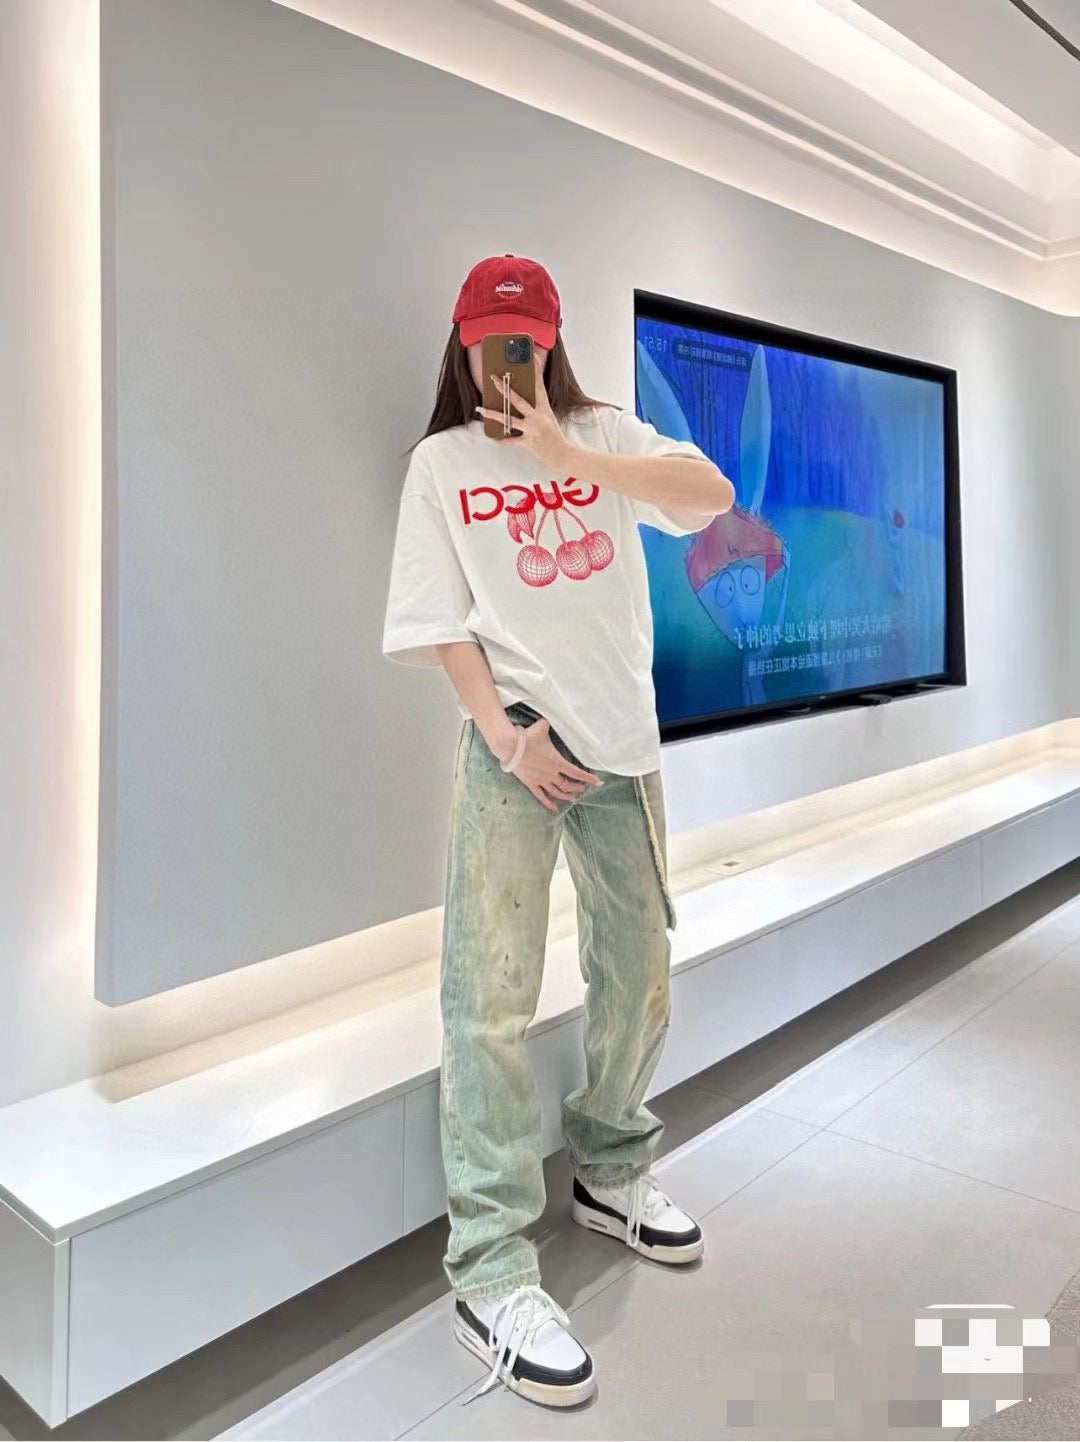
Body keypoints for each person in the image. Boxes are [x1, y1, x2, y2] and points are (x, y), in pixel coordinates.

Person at [381, 253, 735, 1409]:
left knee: (639, 970)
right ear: (462, 343)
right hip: (514, 752)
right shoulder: (441, 464)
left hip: (622, 748)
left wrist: (568, 455)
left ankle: (612, 1165)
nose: (509, 362)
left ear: (552, 341)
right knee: (488, 998)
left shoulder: (605, 434)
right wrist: (506, 734)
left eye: (525, 343)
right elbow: (441, 620)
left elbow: (710, 494)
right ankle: (491, 1265)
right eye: (492, 343)